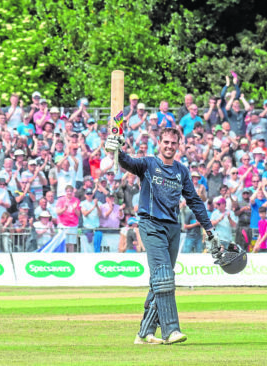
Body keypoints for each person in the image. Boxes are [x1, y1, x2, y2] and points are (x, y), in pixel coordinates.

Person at [106, 127, 215, 345]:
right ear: (159, 142)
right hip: (150, 223)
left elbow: (194, 200)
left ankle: (144, 333)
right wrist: (115, 150)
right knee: (164, 276)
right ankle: (171, 330)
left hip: (173, 228)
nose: (169, 146)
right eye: (165, 142)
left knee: (159, 280)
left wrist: (209, 229)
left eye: (173, 143)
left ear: (178, 145)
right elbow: (127, 161)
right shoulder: (147, 164)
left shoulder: (182, 171)